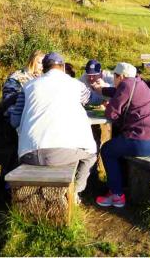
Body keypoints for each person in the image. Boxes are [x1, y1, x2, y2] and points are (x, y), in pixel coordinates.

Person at [10, 52, 97, 201]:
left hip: (28, 153)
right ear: (62, 67)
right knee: (91, 154)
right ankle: (75, 192)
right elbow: (92, 99)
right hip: (62, 154)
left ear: (44, 68)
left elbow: (14, 121)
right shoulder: (75, 84)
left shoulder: (28, 87)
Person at [95, 63, 150, 208]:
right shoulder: (138, 83)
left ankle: (117, 194)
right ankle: (120, 184)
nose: (114, 80)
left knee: (107, 150)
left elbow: (111, 113)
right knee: (117, 146)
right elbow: (120, 93)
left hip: (147, 142)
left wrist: (108, 104)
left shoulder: (125, 85)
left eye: (114, 77)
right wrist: (102, 90)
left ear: (121, 77)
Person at [2, 50, 44, 115]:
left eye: (43, 63)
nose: (42, 66)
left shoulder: (42, 78)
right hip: (15, 119)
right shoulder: (16, 77)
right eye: (39, 63)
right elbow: (8, 102)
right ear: (32, 61)